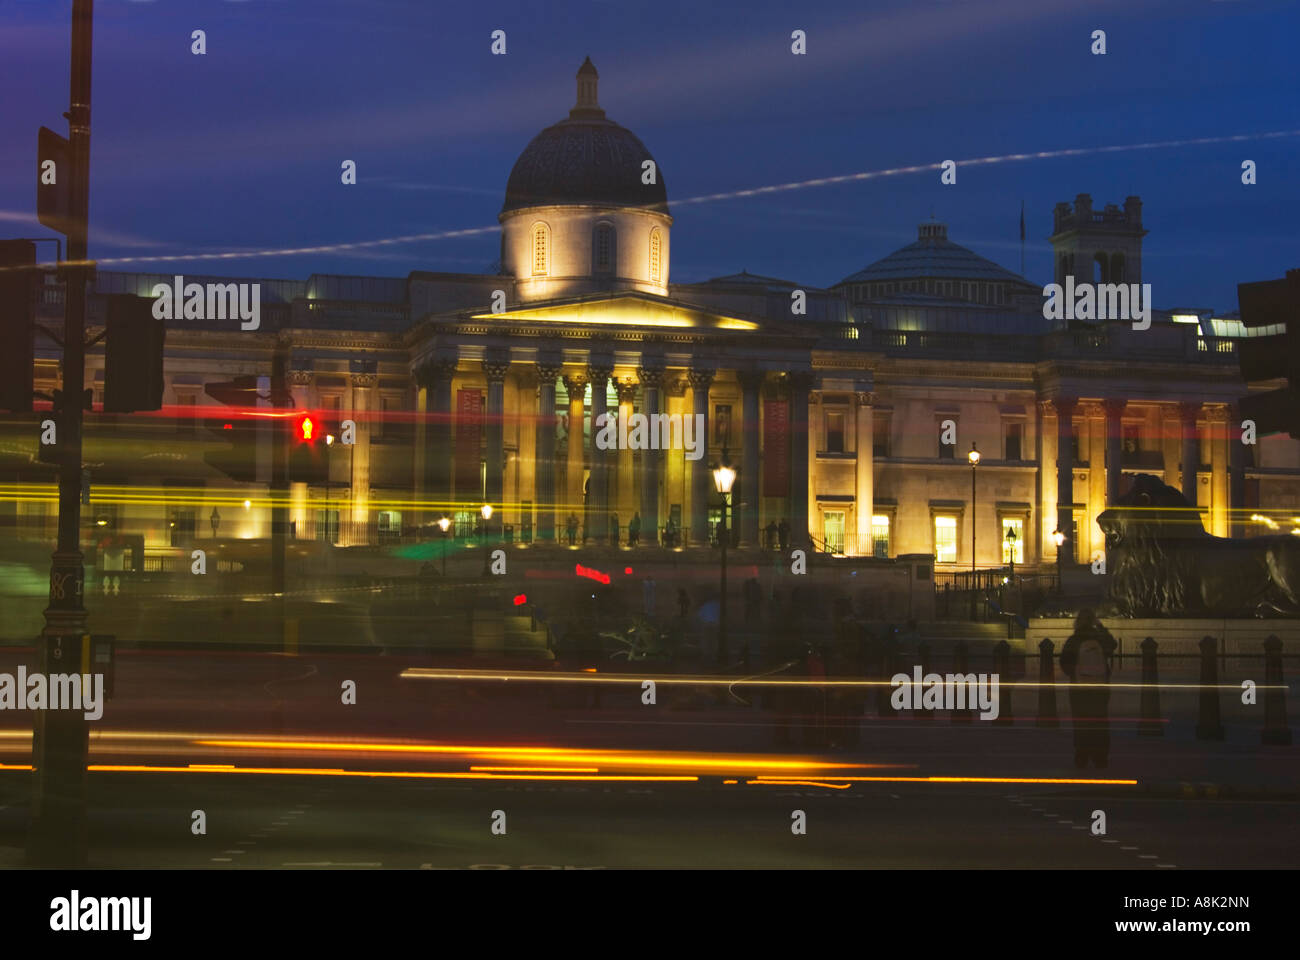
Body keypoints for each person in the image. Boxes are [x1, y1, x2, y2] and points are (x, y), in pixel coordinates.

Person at [1059, 607, 1118, 769]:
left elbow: (1064, 662)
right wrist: (1101, 626)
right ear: (1092, 621)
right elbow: (1112, 645)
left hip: (1080, 688)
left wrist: (1075, 673)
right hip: (1100, 686)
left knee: (1081, 721)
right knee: (1100, 721)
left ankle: (1082, 755)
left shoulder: (1074, 640)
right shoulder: (1099, 638)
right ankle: (1100, 756)